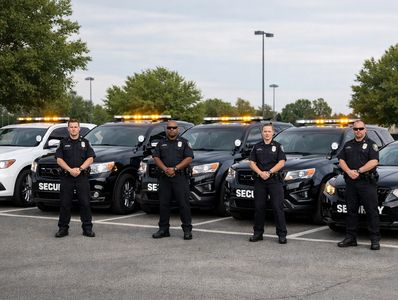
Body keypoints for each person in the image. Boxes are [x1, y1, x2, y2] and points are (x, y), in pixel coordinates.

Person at [337, 120, 380, 250]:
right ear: (353, 130)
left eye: (361, 129)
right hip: (351, 182)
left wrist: (359, 171)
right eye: (355, 129)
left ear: (365, 130)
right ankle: (351, 238)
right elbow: (341, 160)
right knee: (351, 211)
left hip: (366, 182)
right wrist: (349, 171)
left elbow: (374, 161)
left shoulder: (371, 145)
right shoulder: (348, 145)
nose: (358, 131)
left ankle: (374, 240)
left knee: (371, 211)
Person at [152, 120, 194, 240]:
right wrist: (165, 169)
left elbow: (189, 157)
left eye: (174, 128)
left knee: (183, 204)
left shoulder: (184, 143)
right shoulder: (161, 143)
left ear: (178, 129)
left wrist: (175, 169)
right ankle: (163, 229)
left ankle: (187, 230)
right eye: (169, 128)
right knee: (164, 204)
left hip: (180, 177)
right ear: (167, 129)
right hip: (165, 177)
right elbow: (156, 157)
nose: (171, 130)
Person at [54, 119, 96, 238]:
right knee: (65, 204)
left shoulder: (85, 142)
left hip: (81, 177)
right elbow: (59, 159)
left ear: (79, 128)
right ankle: (63, 229)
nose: (73, 129)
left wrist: (81, 169)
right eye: (71, 127)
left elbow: (91, 158)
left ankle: (87, 228)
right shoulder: (63, 143)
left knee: (85, 203)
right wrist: (70, 169)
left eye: (75, 127)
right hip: (67, 177)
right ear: (68, 129)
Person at [249, 123, 287, 243]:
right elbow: (251, 162)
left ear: (273, 133)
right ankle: (258, 233)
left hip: (274, 181)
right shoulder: (256, 146)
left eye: (269, 131)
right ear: (262, 133)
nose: (267, 133)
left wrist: (269, 172)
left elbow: (281, 162)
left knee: (277, 208)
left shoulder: (278, 146)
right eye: (265, 131)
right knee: (259, 208)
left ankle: (282, 235)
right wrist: (260, 173)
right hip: (260, 180)